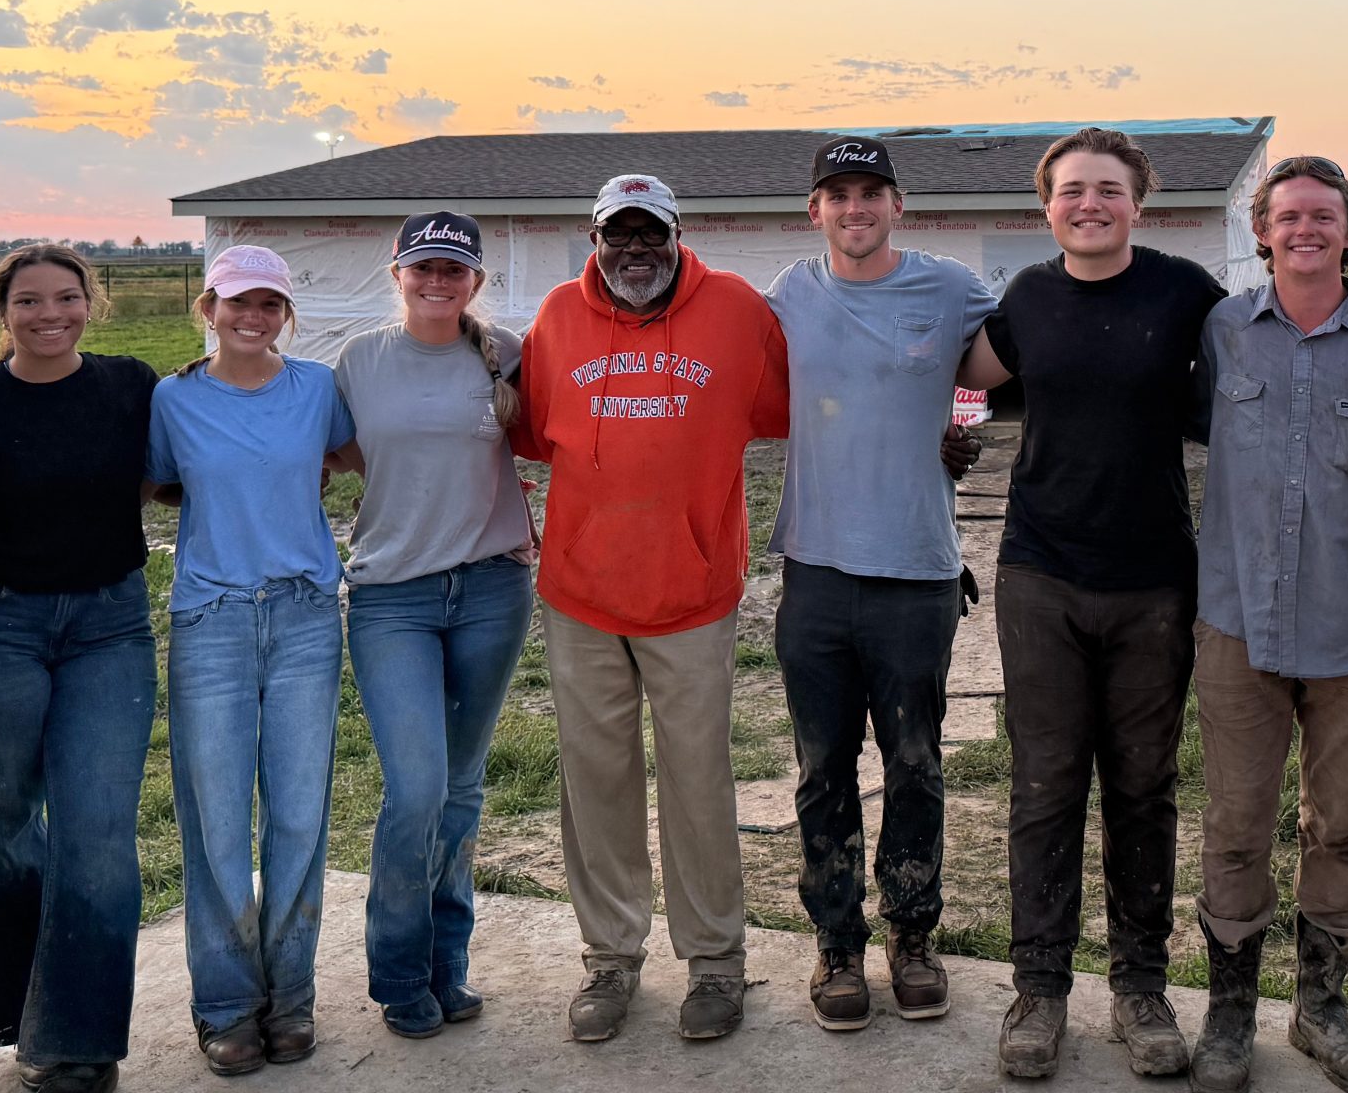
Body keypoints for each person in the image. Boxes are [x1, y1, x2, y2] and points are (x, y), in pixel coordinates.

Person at [952, 128, 1227, 1080]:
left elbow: (1244, 390)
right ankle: (1040, 990)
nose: (1089, 204)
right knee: (1045, 786)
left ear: (1138, 203)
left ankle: (1141, 989)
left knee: (1144, 788)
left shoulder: (1185, 293)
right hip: (1041, 574)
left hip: (1154, 576)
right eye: (1072, 191)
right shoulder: (1027, 298)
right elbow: (962, 374)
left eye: (1108, 190)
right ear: (1047, 207)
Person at [510, 176, 789, 1044]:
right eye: (616, 234)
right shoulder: (556, 318)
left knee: (699, 781)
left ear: (677, 234)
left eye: (649, 233)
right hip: (581, 595)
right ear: (594, 239)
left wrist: (950, 419)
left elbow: (795, 408)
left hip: (693, 593)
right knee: (596, 781)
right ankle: (609, 959)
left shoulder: (740, 312)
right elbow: (531, 428)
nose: (635, 250)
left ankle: (714, 963)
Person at [1189, 156, 1348, 1093]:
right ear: (1261, 232)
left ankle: (1322, 1013)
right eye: (1286, 216)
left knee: (1338, 831)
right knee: (1237, 827)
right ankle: (1228, 1014)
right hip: (1237, 627)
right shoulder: (1221, 331)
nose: (1304, 230)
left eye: (1323, 216)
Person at [766, 134, 998, 1032]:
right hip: (817, 570)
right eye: (838, 194)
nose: (855, 209)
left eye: (872, 193)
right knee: (822, 769)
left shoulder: (948, 287)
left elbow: (1013, 358)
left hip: (917, 572)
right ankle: (837, 945)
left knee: (914, 766)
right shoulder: (788, 294)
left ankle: (912, 932)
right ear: (814, 210)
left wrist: (963, 420)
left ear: (899, 206)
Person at [0, 245, 159, 1093]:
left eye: (66, 298)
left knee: (97, 833)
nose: (49, 315)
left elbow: (165, 474)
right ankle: (10, 1009)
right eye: (28, 301)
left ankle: (75, 1043)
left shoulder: (130, 384)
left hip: (108, 626)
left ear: (90, 303)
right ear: (1, 312)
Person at [146, 244, 357, 1076]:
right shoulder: (174, 397)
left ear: (285, 314)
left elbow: (341, 458)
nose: (252, 317)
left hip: (307, 615)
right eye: (237, 303)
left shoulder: (316, 390)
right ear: (209, 308)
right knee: (218, 819)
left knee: (300, 814)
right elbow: (164, 482)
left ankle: (292, 996)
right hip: (213, 617)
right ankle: (227, 1003)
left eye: (269, 304)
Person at [333, 213, 538, 1039]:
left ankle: (449, 966)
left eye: (454, 271)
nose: (437, 282)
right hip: (392, 600)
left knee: (460, 790)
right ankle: (398, 970)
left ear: (475, 283)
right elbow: (321, 448)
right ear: (397, 273)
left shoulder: (508, 355)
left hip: (492, 589)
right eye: (423, 268)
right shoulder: (358, 361)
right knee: (415, 788)